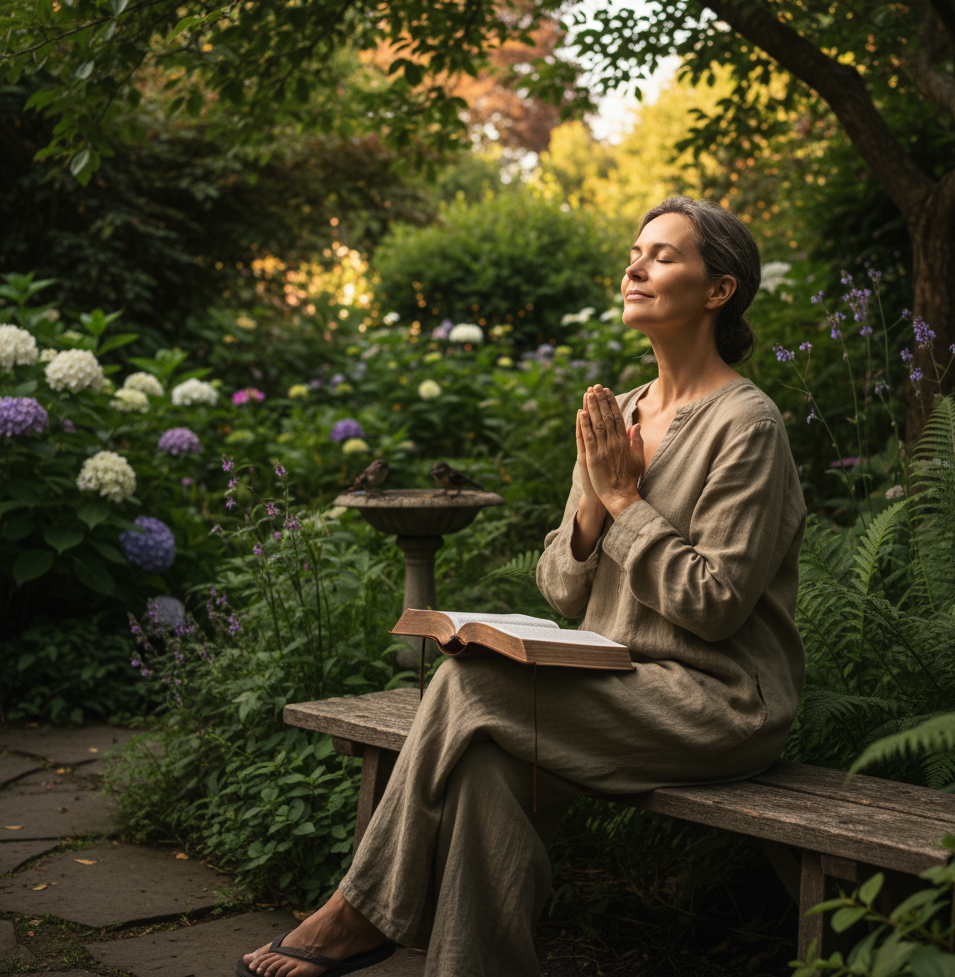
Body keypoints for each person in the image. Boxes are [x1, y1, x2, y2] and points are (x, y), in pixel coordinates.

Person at [237, 196, 806, 977]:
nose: (636, 265)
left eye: (663, 255)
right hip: (615, 683)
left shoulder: (748, 424)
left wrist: (624, 502)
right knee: (483, 773)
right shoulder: (620, 412)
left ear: (720, 291)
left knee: (471, 684)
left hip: (716, 702)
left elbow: (713, 607)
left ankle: (360, 910)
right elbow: (562, 592)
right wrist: (592, 507)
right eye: (635, 250)